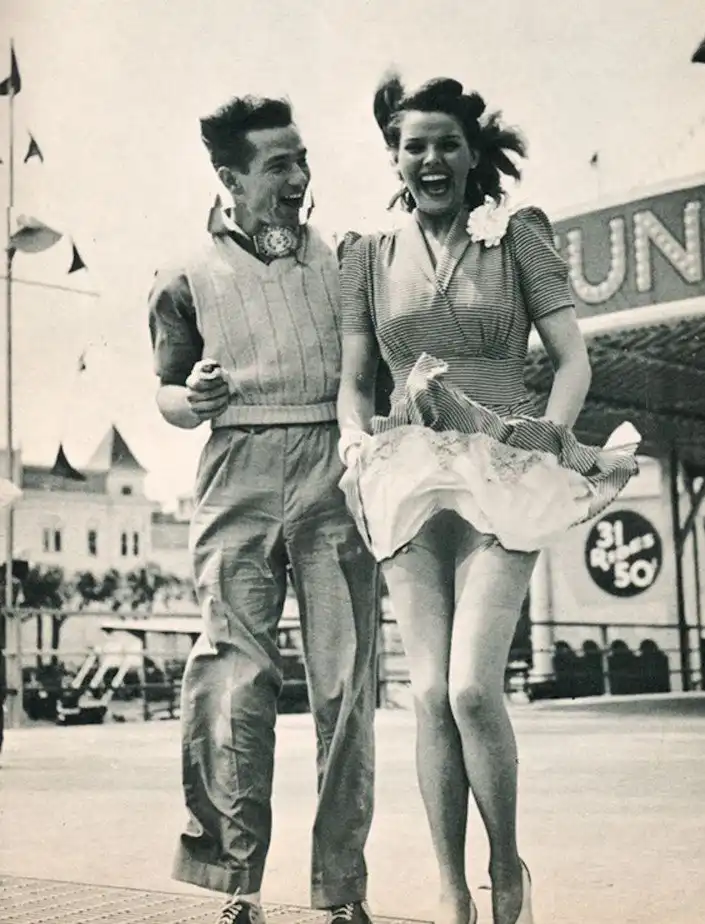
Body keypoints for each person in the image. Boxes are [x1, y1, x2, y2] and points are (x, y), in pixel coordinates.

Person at [336, 74, 639, 924]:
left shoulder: (518, 237)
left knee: (473, 688)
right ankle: (450, 887)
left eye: (448, 145)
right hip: (406, 476)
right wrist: (354, 441)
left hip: (502, 472)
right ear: (395, 157)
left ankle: (507, 868)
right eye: (415, 146)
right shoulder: (365, 256)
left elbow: (574, 361)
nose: (431, 160)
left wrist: (549, 437)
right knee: (429, 693)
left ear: (473, 155)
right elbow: (354, 381)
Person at [148, 95, 378, 924]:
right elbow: (167, 393)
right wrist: (194, 398)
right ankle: (235, 884)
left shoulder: (345, 258)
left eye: (302, 158)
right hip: (236, 464)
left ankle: (342, 892)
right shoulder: (183, 275)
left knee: (345, 682)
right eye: (278, 163)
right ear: (231, 178)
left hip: (331, 464)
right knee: (232, 675)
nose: (298, 176)